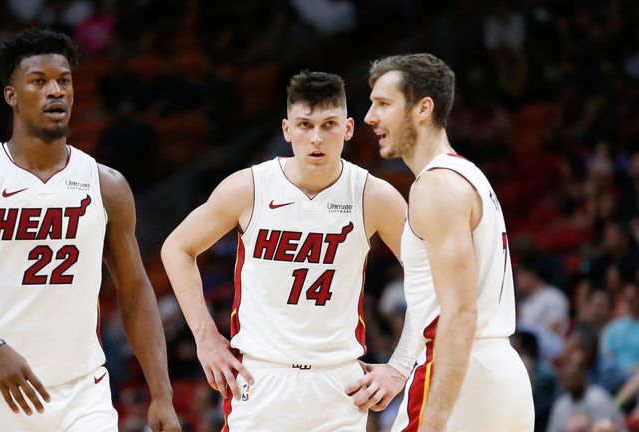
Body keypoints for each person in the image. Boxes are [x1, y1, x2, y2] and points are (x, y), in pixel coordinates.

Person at [0, 28, 180, 432]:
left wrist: (162, 393)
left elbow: (135, 289)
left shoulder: (106, 185)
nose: (56, 91)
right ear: (12, 96)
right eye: (39, 81)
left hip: (81, 392)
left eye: (64, 81)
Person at [161, 70, 407, 431]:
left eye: (329, 124)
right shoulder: (249, 187)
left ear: (349, 128)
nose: (317, 138)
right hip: (261, 376)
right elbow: (176, 248)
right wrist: (206, 339)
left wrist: (400, 366)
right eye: (305, 125)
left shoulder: (374, 196)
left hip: (339, 382)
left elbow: (432, 277)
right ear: (286, 129)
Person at [359, 53, 535, 431]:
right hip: (498, 373)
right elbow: (431, 301)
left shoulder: (435, 186)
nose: (369, 117)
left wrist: (433, 421)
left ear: (423, 108)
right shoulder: (466, 175)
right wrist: (398, 367)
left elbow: (459, 313)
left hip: (457, 375)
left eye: (384, 104)